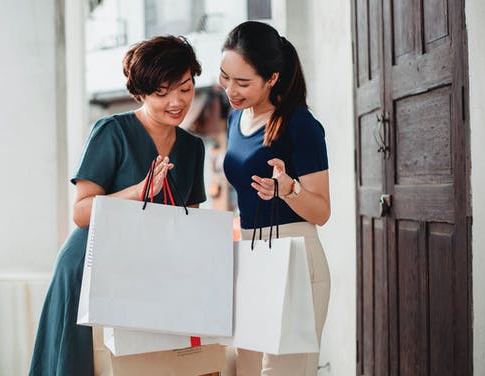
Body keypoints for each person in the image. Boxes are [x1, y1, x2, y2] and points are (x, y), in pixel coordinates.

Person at [29, 35, 206, 376]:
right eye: (162, 92)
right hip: (90, 270)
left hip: (146, 274)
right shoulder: (112, 131)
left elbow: (188, 224)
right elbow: (80, 213)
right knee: (84, 364)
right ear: (141, 93)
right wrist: (139, 191)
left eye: (185, 88)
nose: (177, 101)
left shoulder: (192, 148)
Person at [220, 21, 331, 375]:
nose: (230, 91)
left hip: (294, 256)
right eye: (225, 77)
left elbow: (322, 211)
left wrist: (289, 189)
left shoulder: (301, 124)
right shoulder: (236, 119)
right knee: (248, 370)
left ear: (272, 79)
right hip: (251, 255)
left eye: (243, 83)